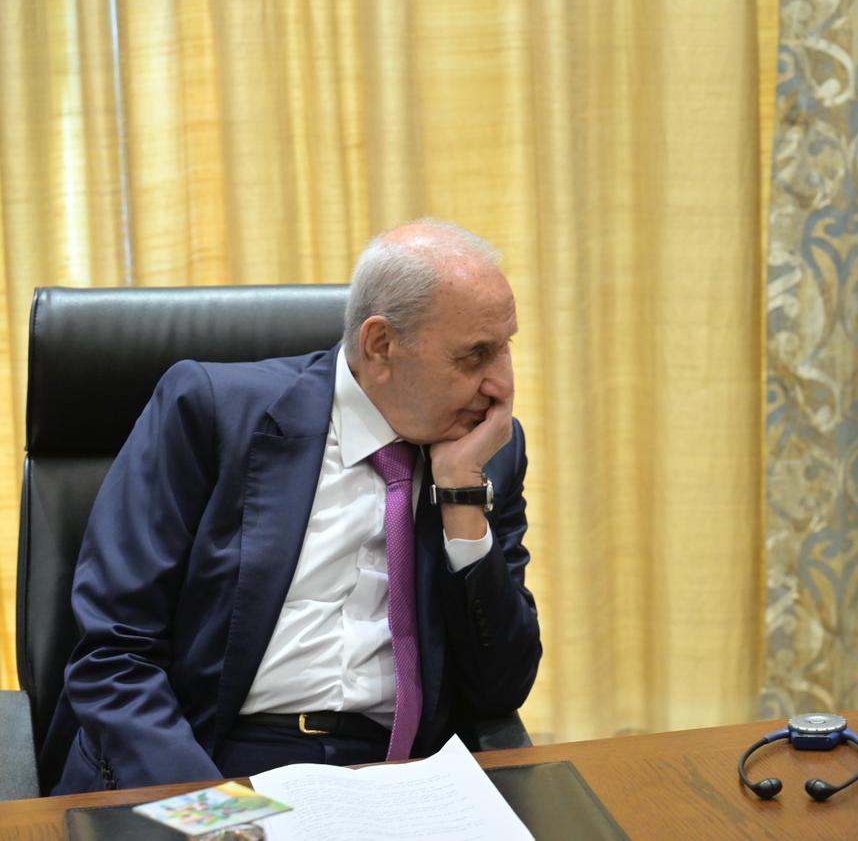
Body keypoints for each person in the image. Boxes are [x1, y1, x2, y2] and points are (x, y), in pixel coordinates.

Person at [43, 219, 541, 793]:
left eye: (505, 347)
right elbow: (114, 654)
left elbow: (500, 690)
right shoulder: (211, 412)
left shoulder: (487, 453)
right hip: (210, 760)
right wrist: (220, 818)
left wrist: (459, 497)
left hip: (392, 776)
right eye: (476, 356)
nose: (502, 386)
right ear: (380, 346)